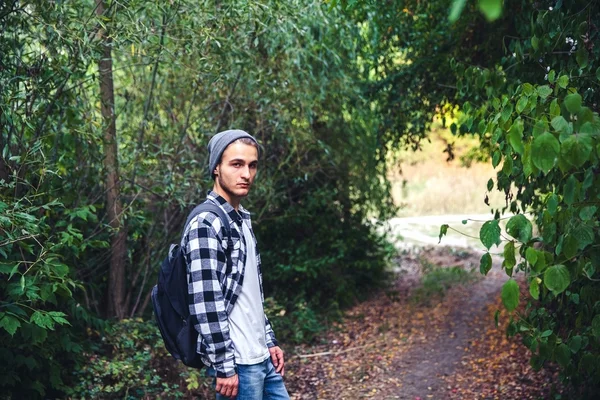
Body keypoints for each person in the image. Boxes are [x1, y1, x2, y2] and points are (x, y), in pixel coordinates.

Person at [182, 129, 290, 399]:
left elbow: (250, 294)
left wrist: (269, 341)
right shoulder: (207, 223)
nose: (247, 174)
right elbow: (207, 303)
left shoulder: (240, 220)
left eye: (252, 165)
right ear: (216, 167)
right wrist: (224, 365)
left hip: (261, 358)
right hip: (239, 365)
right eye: (237, 164)